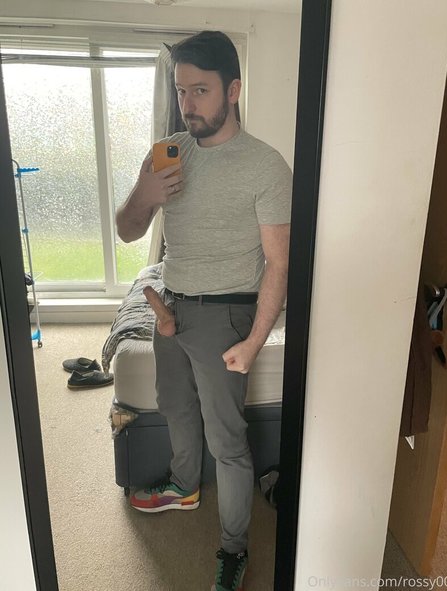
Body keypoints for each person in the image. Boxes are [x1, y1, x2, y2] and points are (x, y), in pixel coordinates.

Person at [116, 30, 292, 591]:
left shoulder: (265, 166)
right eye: (180, 90)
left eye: (200, 90)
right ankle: (183, 486)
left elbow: (279, 264)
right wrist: (146, 193)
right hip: (170, 307)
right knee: (174, 406)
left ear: (232, 90)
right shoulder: (168, 152)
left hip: (224, 316)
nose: (188, 104)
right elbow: (127, 230)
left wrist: (255, 340)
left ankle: (233, 549)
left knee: (228, 441)